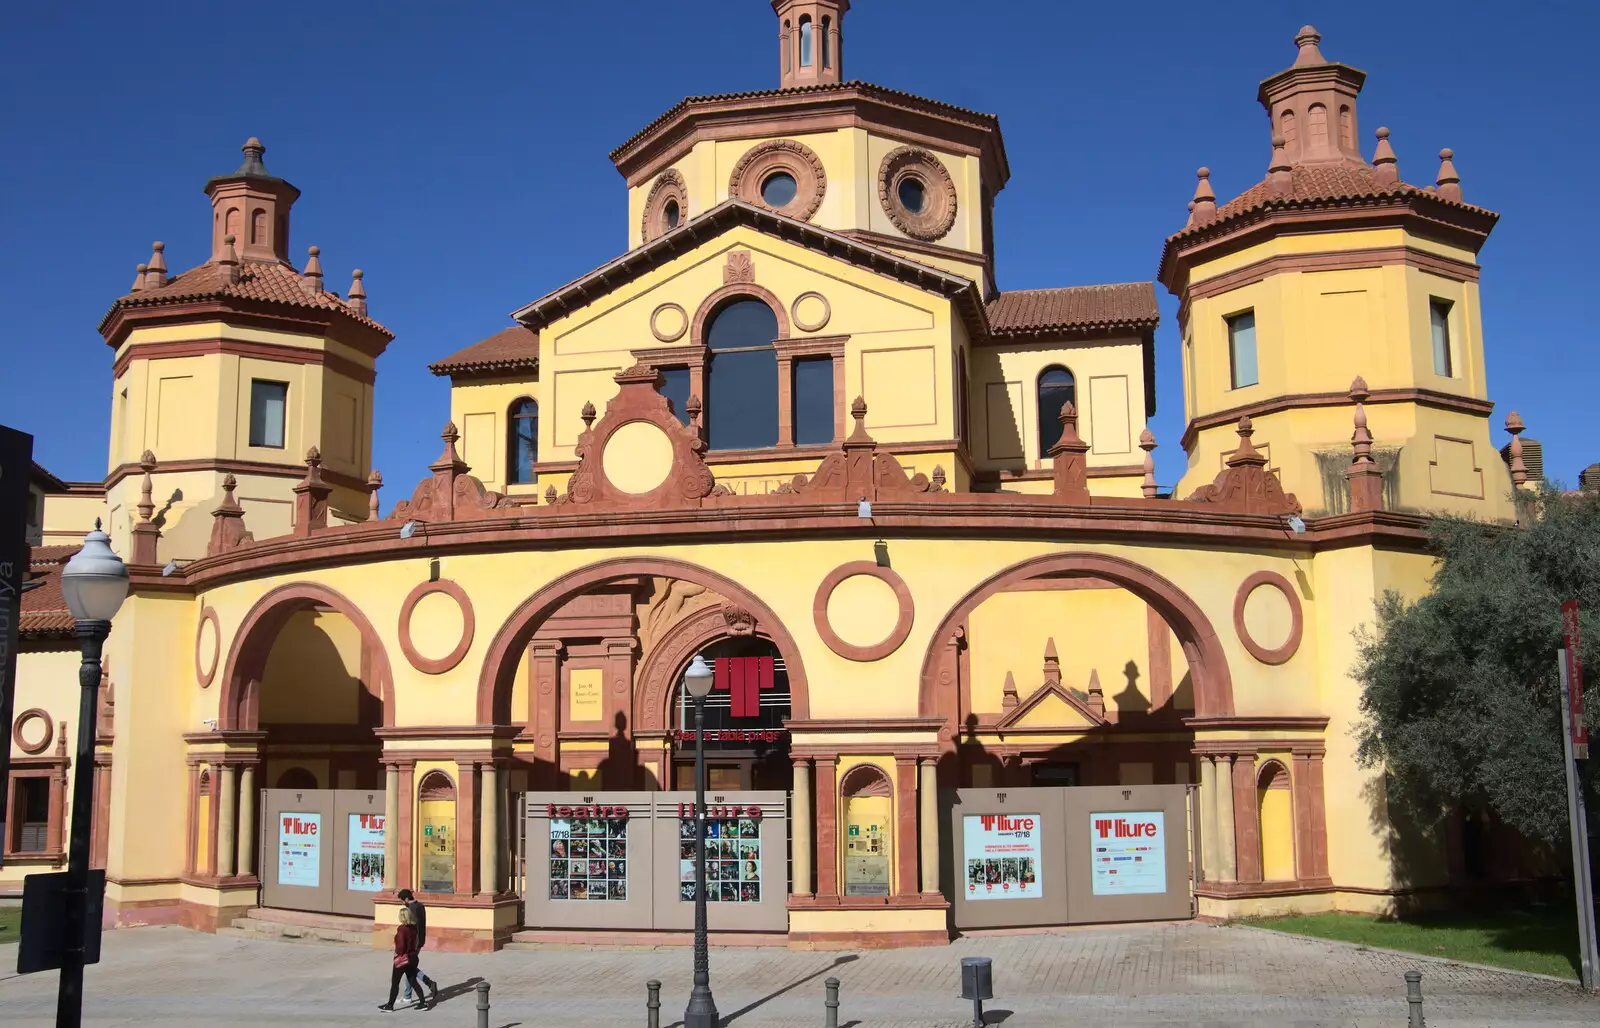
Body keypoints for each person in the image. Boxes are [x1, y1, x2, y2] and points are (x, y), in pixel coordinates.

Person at [378, 906, 432, 1011]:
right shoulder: (413, 928)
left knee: (395, 983)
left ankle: (390, 1005)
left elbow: (401, 945)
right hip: (413, 957)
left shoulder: (402, 929)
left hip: (403, 958)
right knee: (413, 981)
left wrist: (397, 954)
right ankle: (423, 1002)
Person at [396, 889, 440, 1005]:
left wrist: (411, 944)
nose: (402, 904)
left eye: (402, 901)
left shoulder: (411, 909)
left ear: (406, 899)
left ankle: (409, 995)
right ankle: (412, 992)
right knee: (409, 966)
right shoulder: (420, 906)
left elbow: (413, 928)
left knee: (408, 967)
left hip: (413, 943)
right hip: (419, 941)